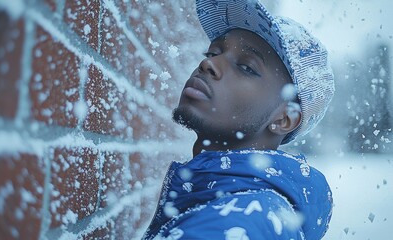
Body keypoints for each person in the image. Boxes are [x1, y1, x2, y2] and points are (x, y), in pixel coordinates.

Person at [143, 0, 334, 239]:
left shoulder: (241, 221)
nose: (208, 63)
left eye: (246, 67)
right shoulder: (249, 207)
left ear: (285, 118)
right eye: (212, 52)